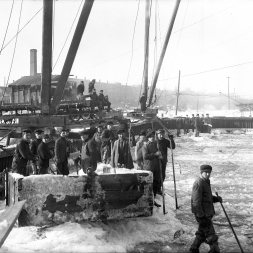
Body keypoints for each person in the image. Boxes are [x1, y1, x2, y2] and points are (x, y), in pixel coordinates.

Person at [189, 165, 222, 253]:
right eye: (206, 172)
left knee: (201, 234)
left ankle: (193, 249)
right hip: (203, 215)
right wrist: (200, 216)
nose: (208, 174)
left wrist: (215, 199)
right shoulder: (199, 183)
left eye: (209, 172)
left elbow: (206, 197)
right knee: (212, 237)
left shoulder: (206, 181)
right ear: (201, 172)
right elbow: (196, 201)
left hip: (206, 213)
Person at [142, 130, 162, 207]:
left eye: (153, 137)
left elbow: (160, 154)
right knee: (149, 184)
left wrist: (161, 156)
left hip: (157, 167)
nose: (153, 138)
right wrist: (155, 154)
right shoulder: (145, 146)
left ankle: (153, 200)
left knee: (156, 184)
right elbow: (145, 156)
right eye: (151, 137)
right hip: (149, 168)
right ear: (148, 138)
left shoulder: (156, 145)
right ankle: (148, 201)